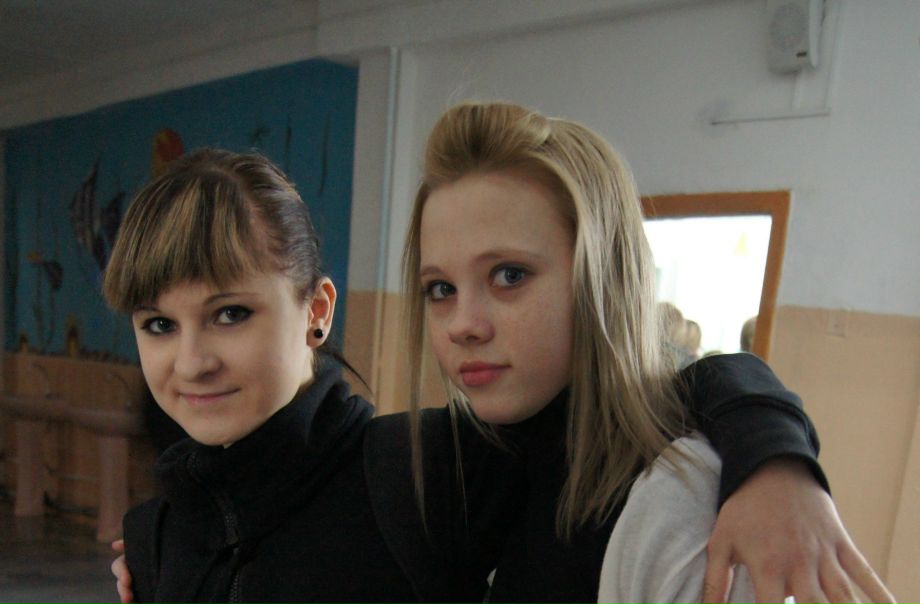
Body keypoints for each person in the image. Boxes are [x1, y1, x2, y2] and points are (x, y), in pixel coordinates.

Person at [107, 148, 881, 603]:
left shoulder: (426, 470)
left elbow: (645, 398)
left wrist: (776, 460)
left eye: (230, 314)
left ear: (316, 310)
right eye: (158, 325)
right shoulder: (157, 535)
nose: (192, 361)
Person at [395, 101, 894, 603]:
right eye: (441, 289)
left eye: (509, 275)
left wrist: (776, 453)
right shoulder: (474, 466)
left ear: (604, 278)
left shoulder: (676, 502)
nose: (462, 325)